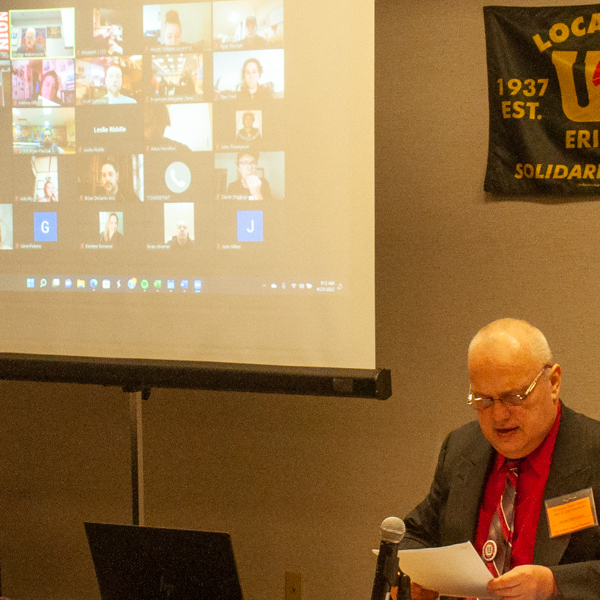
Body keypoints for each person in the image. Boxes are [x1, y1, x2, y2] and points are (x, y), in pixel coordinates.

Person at [398, 318, 600, 600]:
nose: (499, 416)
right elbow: (413, 536)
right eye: (483, 401)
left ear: (553, 383)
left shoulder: (594, 453)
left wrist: (555, 584)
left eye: (515, 397)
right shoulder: (462, 448)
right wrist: (416, 580)